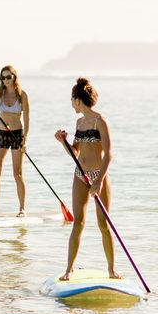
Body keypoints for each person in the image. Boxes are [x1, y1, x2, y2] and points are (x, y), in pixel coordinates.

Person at [54, 77, 119, 281]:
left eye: (72, 100)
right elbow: (75, 151)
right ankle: (69, 270)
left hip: (98, 176)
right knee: (78, 223)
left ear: (78, 100)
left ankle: (111, 270)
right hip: (79, 176)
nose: (71, 104)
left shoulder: (101, 120)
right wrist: (62, 141)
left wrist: (99, 181)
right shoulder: (79, 122)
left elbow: (109, 154)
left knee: (103, 224)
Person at [0, 65, 30, 218]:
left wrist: (25, 140)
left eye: (8, 77)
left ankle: (22, 209)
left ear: (14, 77)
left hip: (17, 134)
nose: (5, 80)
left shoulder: (22, 95)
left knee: (18, 173)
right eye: (3, 77)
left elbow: (27, 118)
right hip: (1, 134)